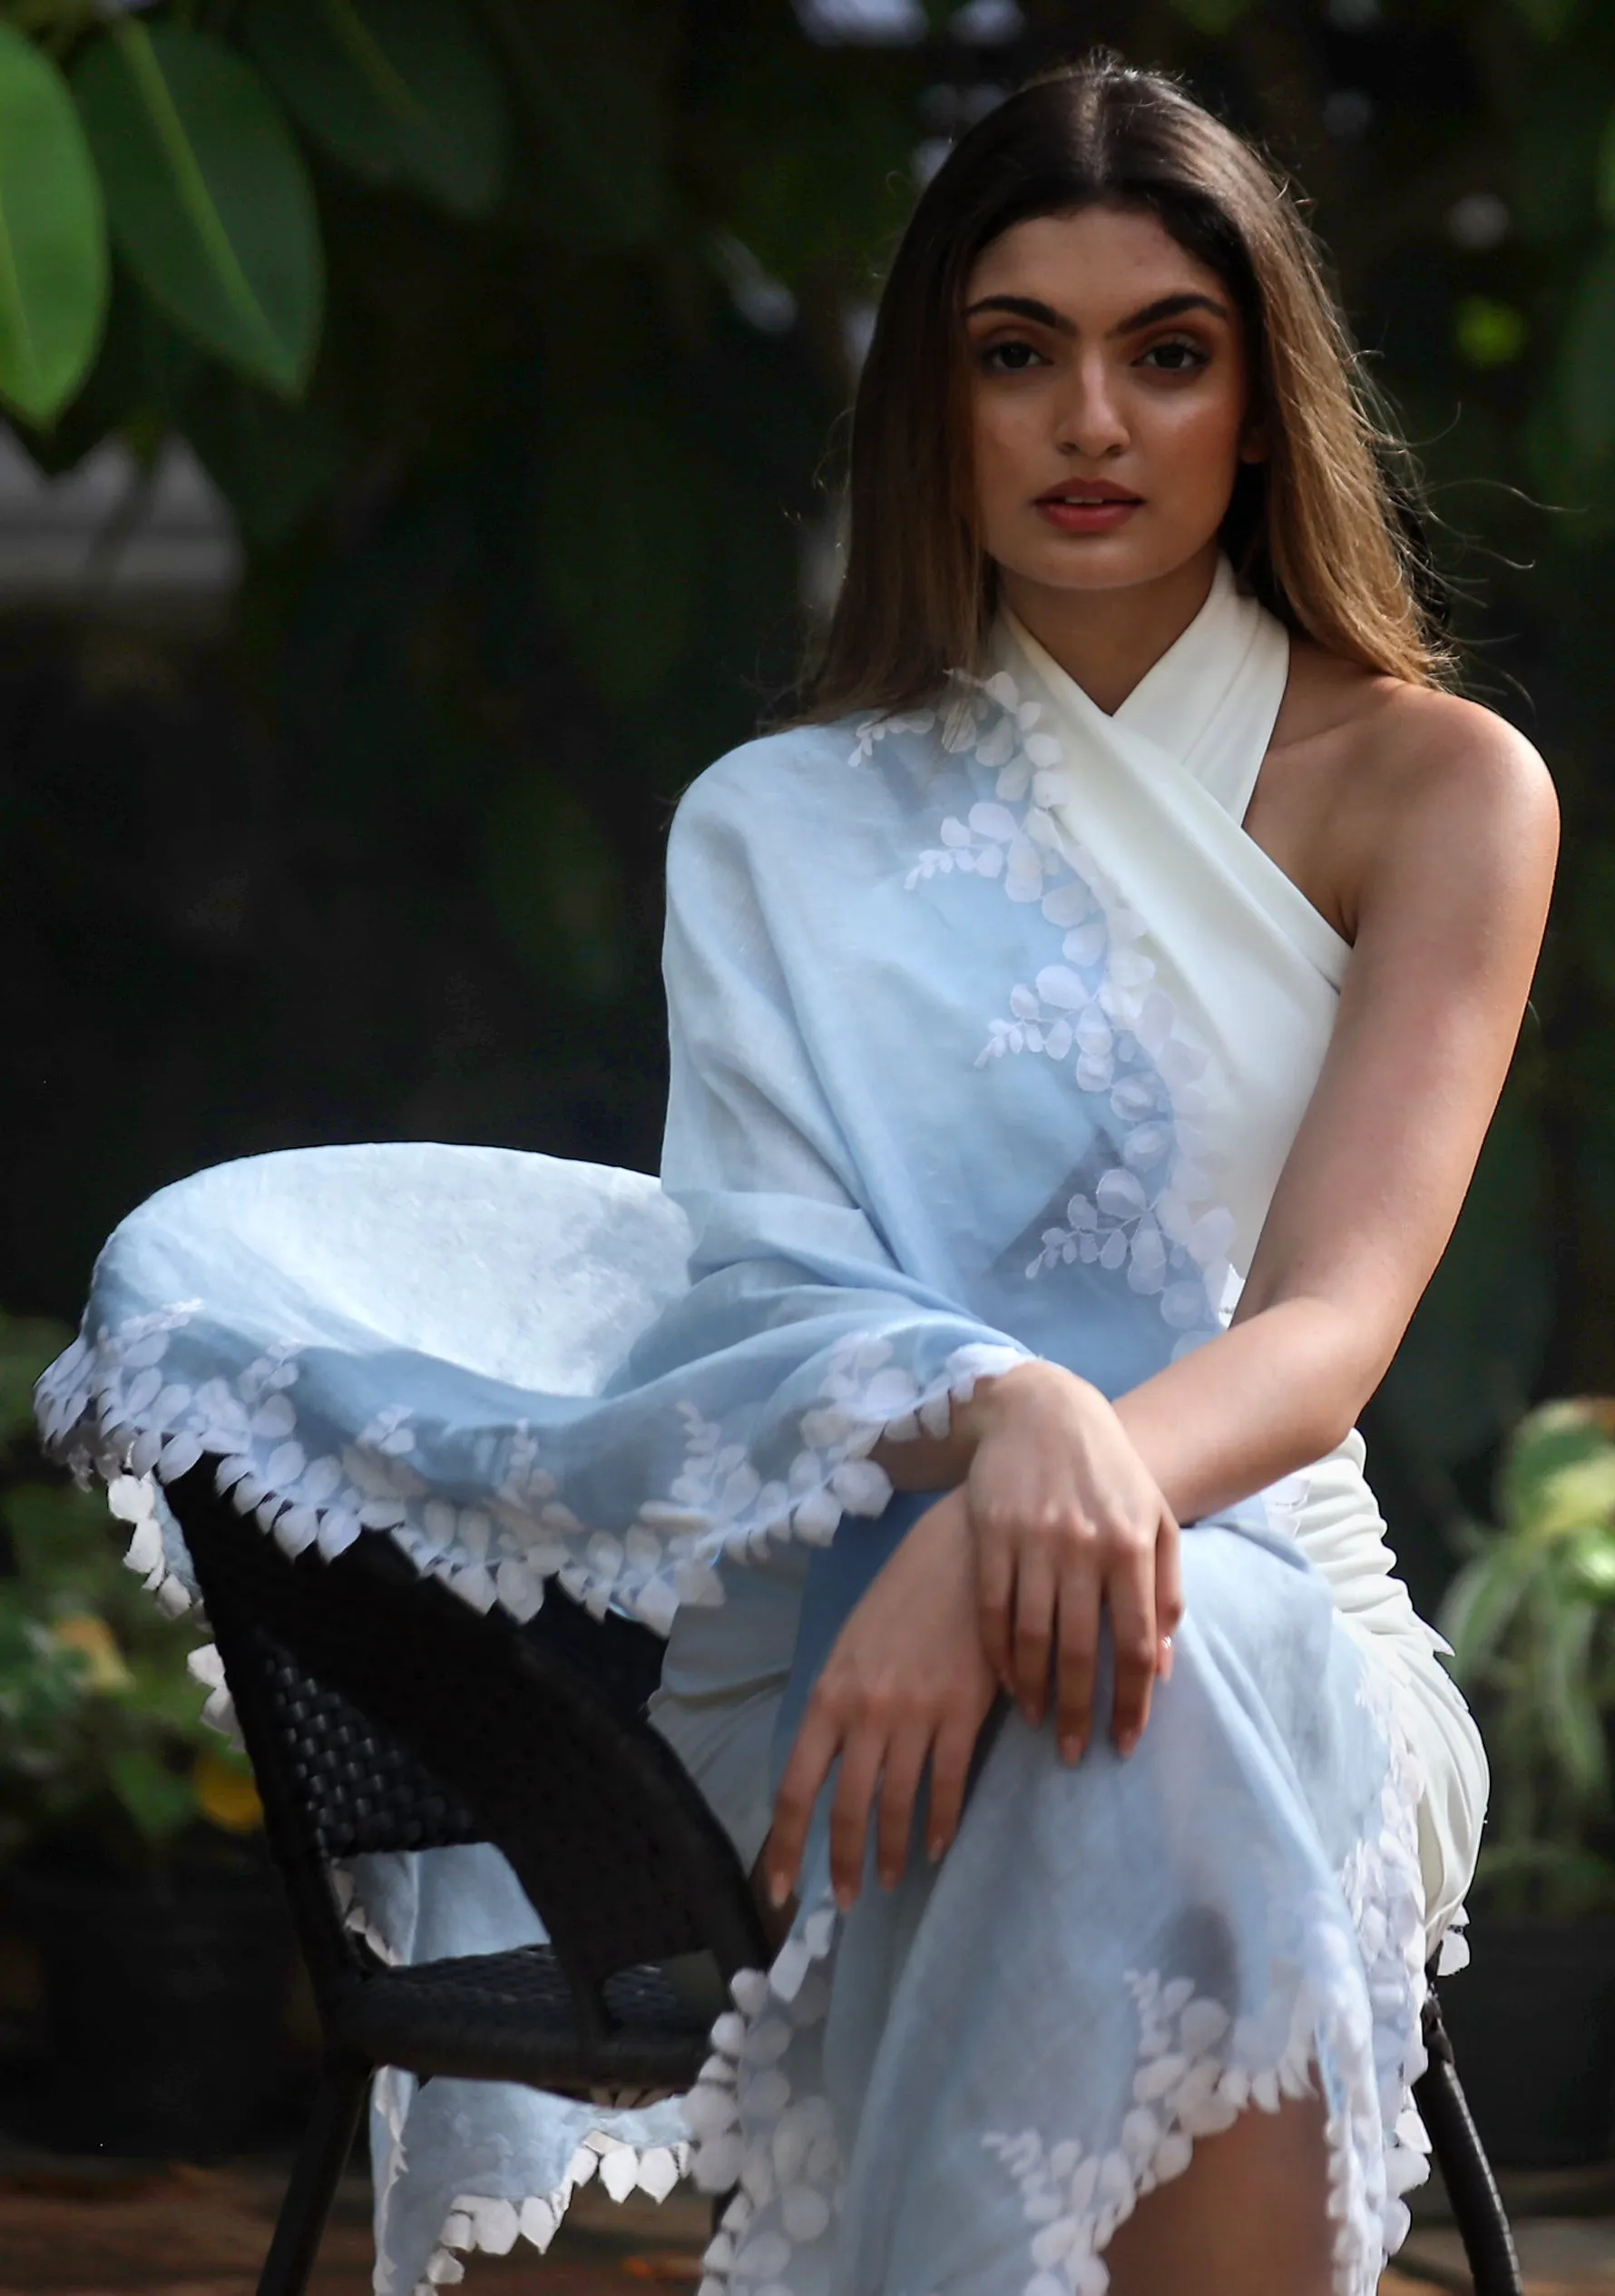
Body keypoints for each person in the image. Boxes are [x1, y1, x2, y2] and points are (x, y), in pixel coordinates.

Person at [36, 55, 1556, 2296]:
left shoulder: (1438, 788)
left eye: (1166, 352)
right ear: (931, 406)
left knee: (1172, 1653)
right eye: (1011, 353)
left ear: (1261, 397)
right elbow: (760, 1291)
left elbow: (1324, 1332)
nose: (1089, 422)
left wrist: (1057, 1508)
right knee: (1130, 1672)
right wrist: (989, 1442)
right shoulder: (778, 823)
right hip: (857, 1633)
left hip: (1264, 1584)